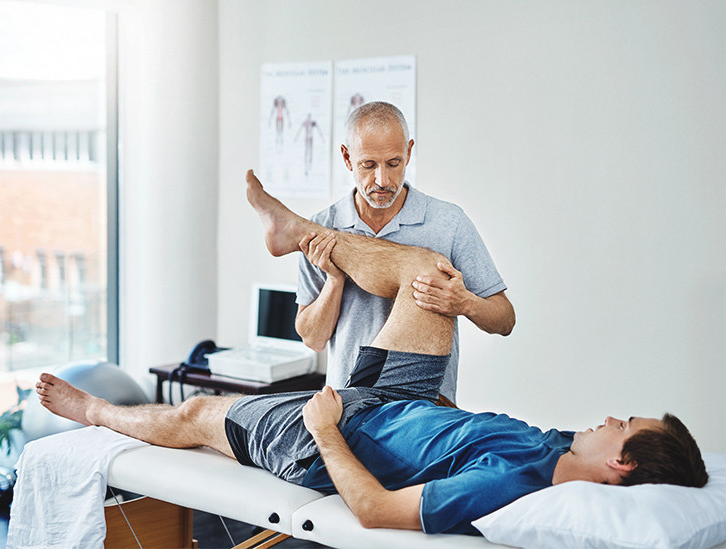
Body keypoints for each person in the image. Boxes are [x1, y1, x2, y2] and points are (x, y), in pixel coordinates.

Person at [35, 171, 708, 536]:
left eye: (624, 424)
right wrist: (456, 312)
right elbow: (315, 333)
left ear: (620, 464)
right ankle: (293, 229)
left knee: (197, 414)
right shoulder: (560, 447)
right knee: (427, 271)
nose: (611, 416)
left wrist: (326, 431)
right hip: (405, 399)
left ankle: (94, 410)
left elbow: (376, 512)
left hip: (343, 430)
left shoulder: (513, 485)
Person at [295, 101, 515, 404]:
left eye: (394, 163)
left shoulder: (448, 223)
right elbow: (313, 339)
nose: (383, 180)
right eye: (368, 165)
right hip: (347, 408)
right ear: (347, 158)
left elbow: (505, 320)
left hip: (424, 409)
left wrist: (465, 302)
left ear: (409, 152)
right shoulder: (323, 228)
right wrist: (335, 279)